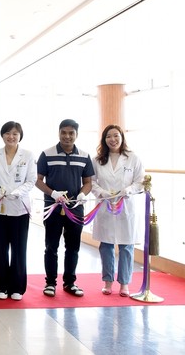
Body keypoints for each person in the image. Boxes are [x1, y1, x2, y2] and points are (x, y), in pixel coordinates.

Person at [36, 118, 94, 297]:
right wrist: (52, 193)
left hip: (75, 209)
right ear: (59, 133)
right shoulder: (47, 154)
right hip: (52, 207)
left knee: (73, 247)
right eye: (64, 132)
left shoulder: (84, 156)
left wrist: (83, 194)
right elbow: (37, 180)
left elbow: (88, 182)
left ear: (76, 135)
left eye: (71, 133)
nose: (67, 136)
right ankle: (50, 283)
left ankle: (70, 283)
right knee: (51, 246)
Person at [0, 121, 36, 301]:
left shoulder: (27, 155)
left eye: (15, 133)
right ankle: (1, 286)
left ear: (20, 135)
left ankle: (17, 287)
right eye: (7, 133)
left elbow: (31, 181)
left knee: (19, 249)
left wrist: (17, 192)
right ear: (2, 135)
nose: (11, 136)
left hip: (20, 208)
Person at [91, 124, 145, 297]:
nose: (112, 140)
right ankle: (107, 281)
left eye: (116, 136)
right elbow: (91, 182)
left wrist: (127, 191)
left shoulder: (133, 158)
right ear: (104, 140)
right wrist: (102, 192)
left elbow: (140, 181)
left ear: (122, 137)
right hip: (105, 205)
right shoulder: (98, 160)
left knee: (126, 246)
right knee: (106, 245)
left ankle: (124, 283)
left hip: (126, 206)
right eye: (108, 136)